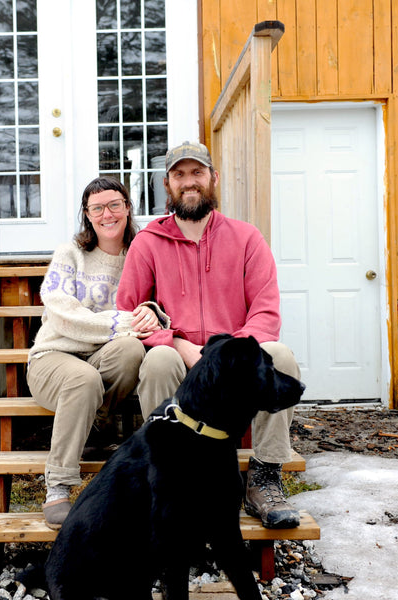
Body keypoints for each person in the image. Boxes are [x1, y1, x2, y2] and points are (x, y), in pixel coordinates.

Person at [116, 141, 303, 529]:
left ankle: (264, 480)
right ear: (167, 184)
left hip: (232, 362)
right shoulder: (148, 243)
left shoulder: (247, 238)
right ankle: (171, 478)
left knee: (280, 356)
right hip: (181, 367)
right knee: (158, 360)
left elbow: (266, 311)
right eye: (180, 175)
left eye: (197, 173)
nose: (190, 183)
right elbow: (130, 314)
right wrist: (178, 344)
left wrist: (227, 356)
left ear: (213, 179)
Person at [27, 176, 168, 529]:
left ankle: (92, 427)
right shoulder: (70, 253)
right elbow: (63, 314)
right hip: (54, 357)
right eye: (97, 208)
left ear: (128, 208)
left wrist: (152, 311)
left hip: (106, 358)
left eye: (114, 205)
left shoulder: (142, 252)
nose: (107, 214)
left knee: (132, 351)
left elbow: (159, 306)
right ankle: (58, 485)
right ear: (87, 215)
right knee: (84, 378)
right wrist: (126, 321)